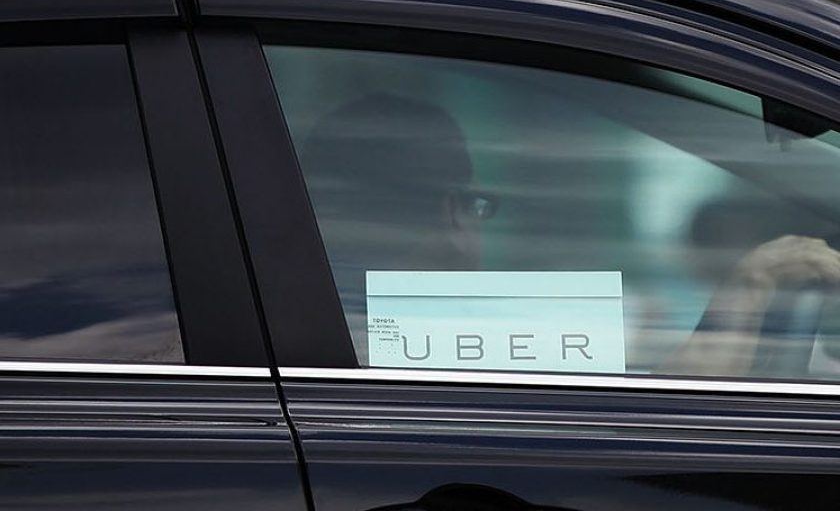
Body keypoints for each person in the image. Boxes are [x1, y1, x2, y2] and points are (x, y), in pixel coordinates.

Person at [300, 92, 840, 377]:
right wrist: (752, 282)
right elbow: (649, 431)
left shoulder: (300, 328)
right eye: (479, 205)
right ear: (455, 212)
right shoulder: (454, 339)